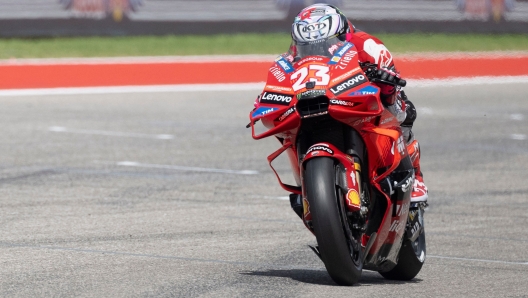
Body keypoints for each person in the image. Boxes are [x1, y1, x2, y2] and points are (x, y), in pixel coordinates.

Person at [287, 3, 428, 202]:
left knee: (402, 111)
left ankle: (415, 177)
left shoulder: (368, 45)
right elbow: (284, 75)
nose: (316, 49)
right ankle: (305, 182)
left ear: (341, 33)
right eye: (308, 45)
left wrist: (383, 80)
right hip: (322, 98)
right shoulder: (293, 54)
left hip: (360, 93)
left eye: (323, 43)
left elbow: (393, 81)